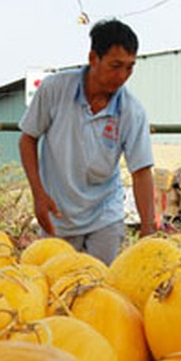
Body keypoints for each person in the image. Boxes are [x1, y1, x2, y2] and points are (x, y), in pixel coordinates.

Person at [18, 19, 155, 265]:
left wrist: (148, 229)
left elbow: (141, 172)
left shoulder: (132, 111)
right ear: (93, 58)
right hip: (57, 214)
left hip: (105, 215)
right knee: (55, 287)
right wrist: (38, 194)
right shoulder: (54, 89)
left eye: (129, 68)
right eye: (115, 66)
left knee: (99, 288)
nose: (122, 76)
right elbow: (28, 140)